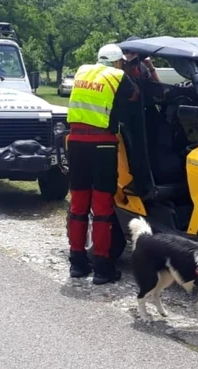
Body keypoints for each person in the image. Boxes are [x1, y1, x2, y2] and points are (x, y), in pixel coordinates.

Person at [66, 43, 137, 285]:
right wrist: (140, 66)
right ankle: (102, 267)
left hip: (75, 142)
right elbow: (135, 96)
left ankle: (77, 263)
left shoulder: (82, 70)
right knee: (103, 206)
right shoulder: (118, 75)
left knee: (78, 203)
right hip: (102, 144)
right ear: (119, 62)